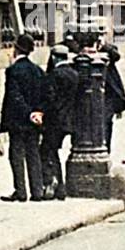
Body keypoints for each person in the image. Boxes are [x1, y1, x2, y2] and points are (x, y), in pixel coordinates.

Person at [0, 32, 46, 202]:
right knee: (33, 154)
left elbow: (15, 96)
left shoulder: (13, 71)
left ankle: (20, 191)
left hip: (18, 121)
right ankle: (37, 191)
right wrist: (38, 112)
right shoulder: (38, 70)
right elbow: (45, 95)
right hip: (35, 121)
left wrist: (28, 113)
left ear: (15, 50)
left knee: (17, 155)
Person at [40, 44, 78, 200]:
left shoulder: (54, 75)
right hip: (68, 120)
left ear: (54, 57)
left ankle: (52, 181)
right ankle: (60, 187)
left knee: (46, 151)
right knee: (52, 150)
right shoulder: (74, 74)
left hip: (54, 121)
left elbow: (50, 99)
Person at [99, 40, 125, 152]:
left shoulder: (107, 49)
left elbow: (116, 56)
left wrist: (103, 45)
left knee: (107, 122)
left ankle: (106, 149)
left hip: (108, 93)